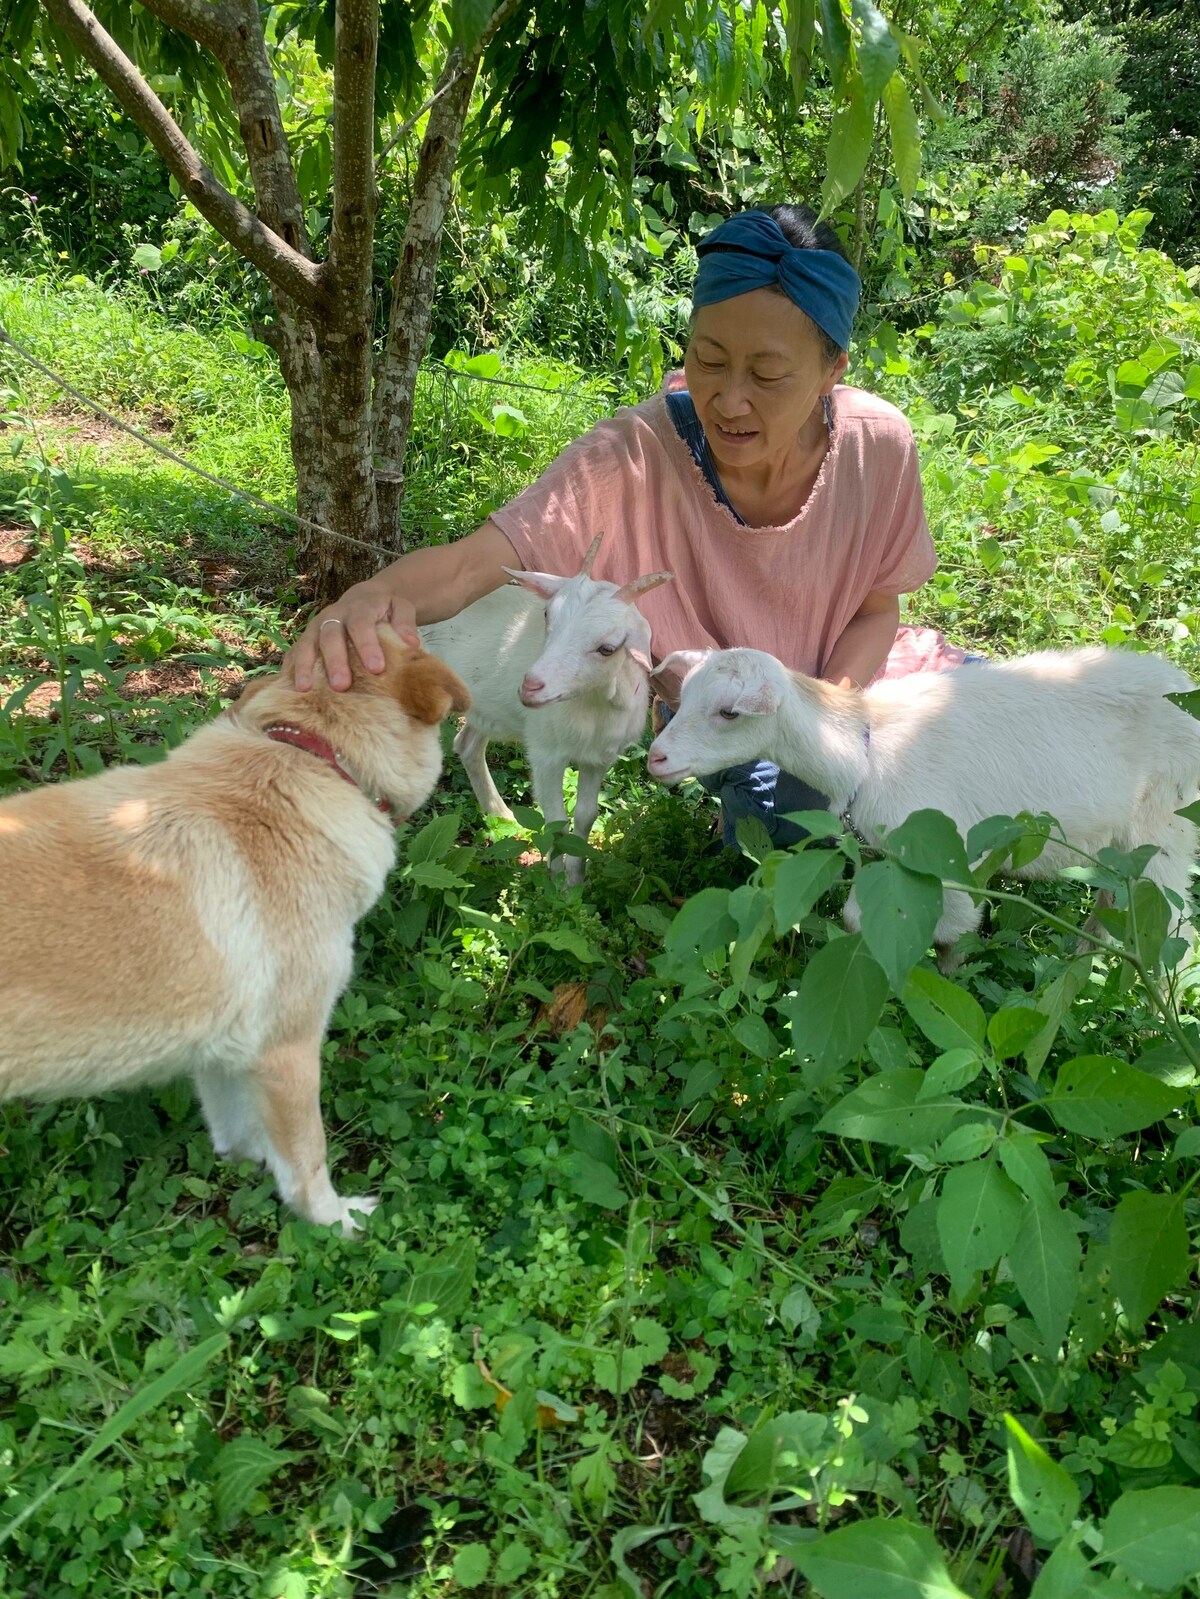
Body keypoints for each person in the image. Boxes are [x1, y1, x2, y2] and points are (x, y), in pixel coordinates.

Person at [291, 203, 967, 846]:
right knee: (788, 822)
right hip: (719, 714)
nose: (729, 400)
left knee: (974, 765)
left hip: (839, 692)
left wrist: (820, 716)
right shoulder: (633, 456)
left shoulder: (877, 446)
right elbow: (474, 565)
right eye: (708, 359)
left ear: (830, 372)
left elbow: (879, 609)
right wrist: (366, 602)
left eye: (768, 375)